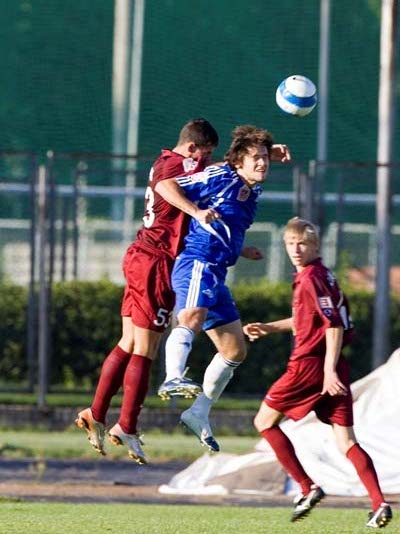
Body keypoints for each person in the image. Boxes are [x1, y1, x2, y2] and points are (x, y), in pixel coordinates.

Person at [75, 118, 220, 463]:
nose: (207, 161)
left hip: (142, 255)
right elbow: (167, 187)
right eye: (206, 154)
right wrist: (197, 211)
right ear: (192, 148)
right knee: (146, 348)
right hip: (156, 262)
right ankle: (127, 425)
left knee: (129, 342)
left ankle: (96, 412)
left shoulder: (166, 159)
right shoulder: (178, 165)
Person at [243, 217, 393, 528]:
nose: (296, 249)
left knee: (264, 421)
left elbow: (333, 324)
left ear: (315, 246)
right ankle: (379, 504)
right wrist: (269, 327)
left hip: (310, 365)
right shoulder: (322, 274)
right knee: (346, 441)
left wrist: (327, 371)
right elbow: (307, 320)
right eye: (290, 243)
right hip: (332, 366)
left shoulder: (311, 278)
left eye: (302, 244)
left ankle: (307, 487)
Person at [157, 125, 291, 453]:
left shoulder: (251, 189)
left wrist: (241, 249)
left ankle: (198, 412)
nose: (262, 163)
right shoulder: (221, 175)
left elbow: (227, 222)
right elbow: (164, 185)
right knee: (191, 316)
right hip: (197, 262)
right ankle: (172, 376)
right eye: (255, 158)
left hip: (217, 272)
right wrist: (197, 212)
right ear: (238, 162)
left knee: (235, 350)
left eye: (264, 158)